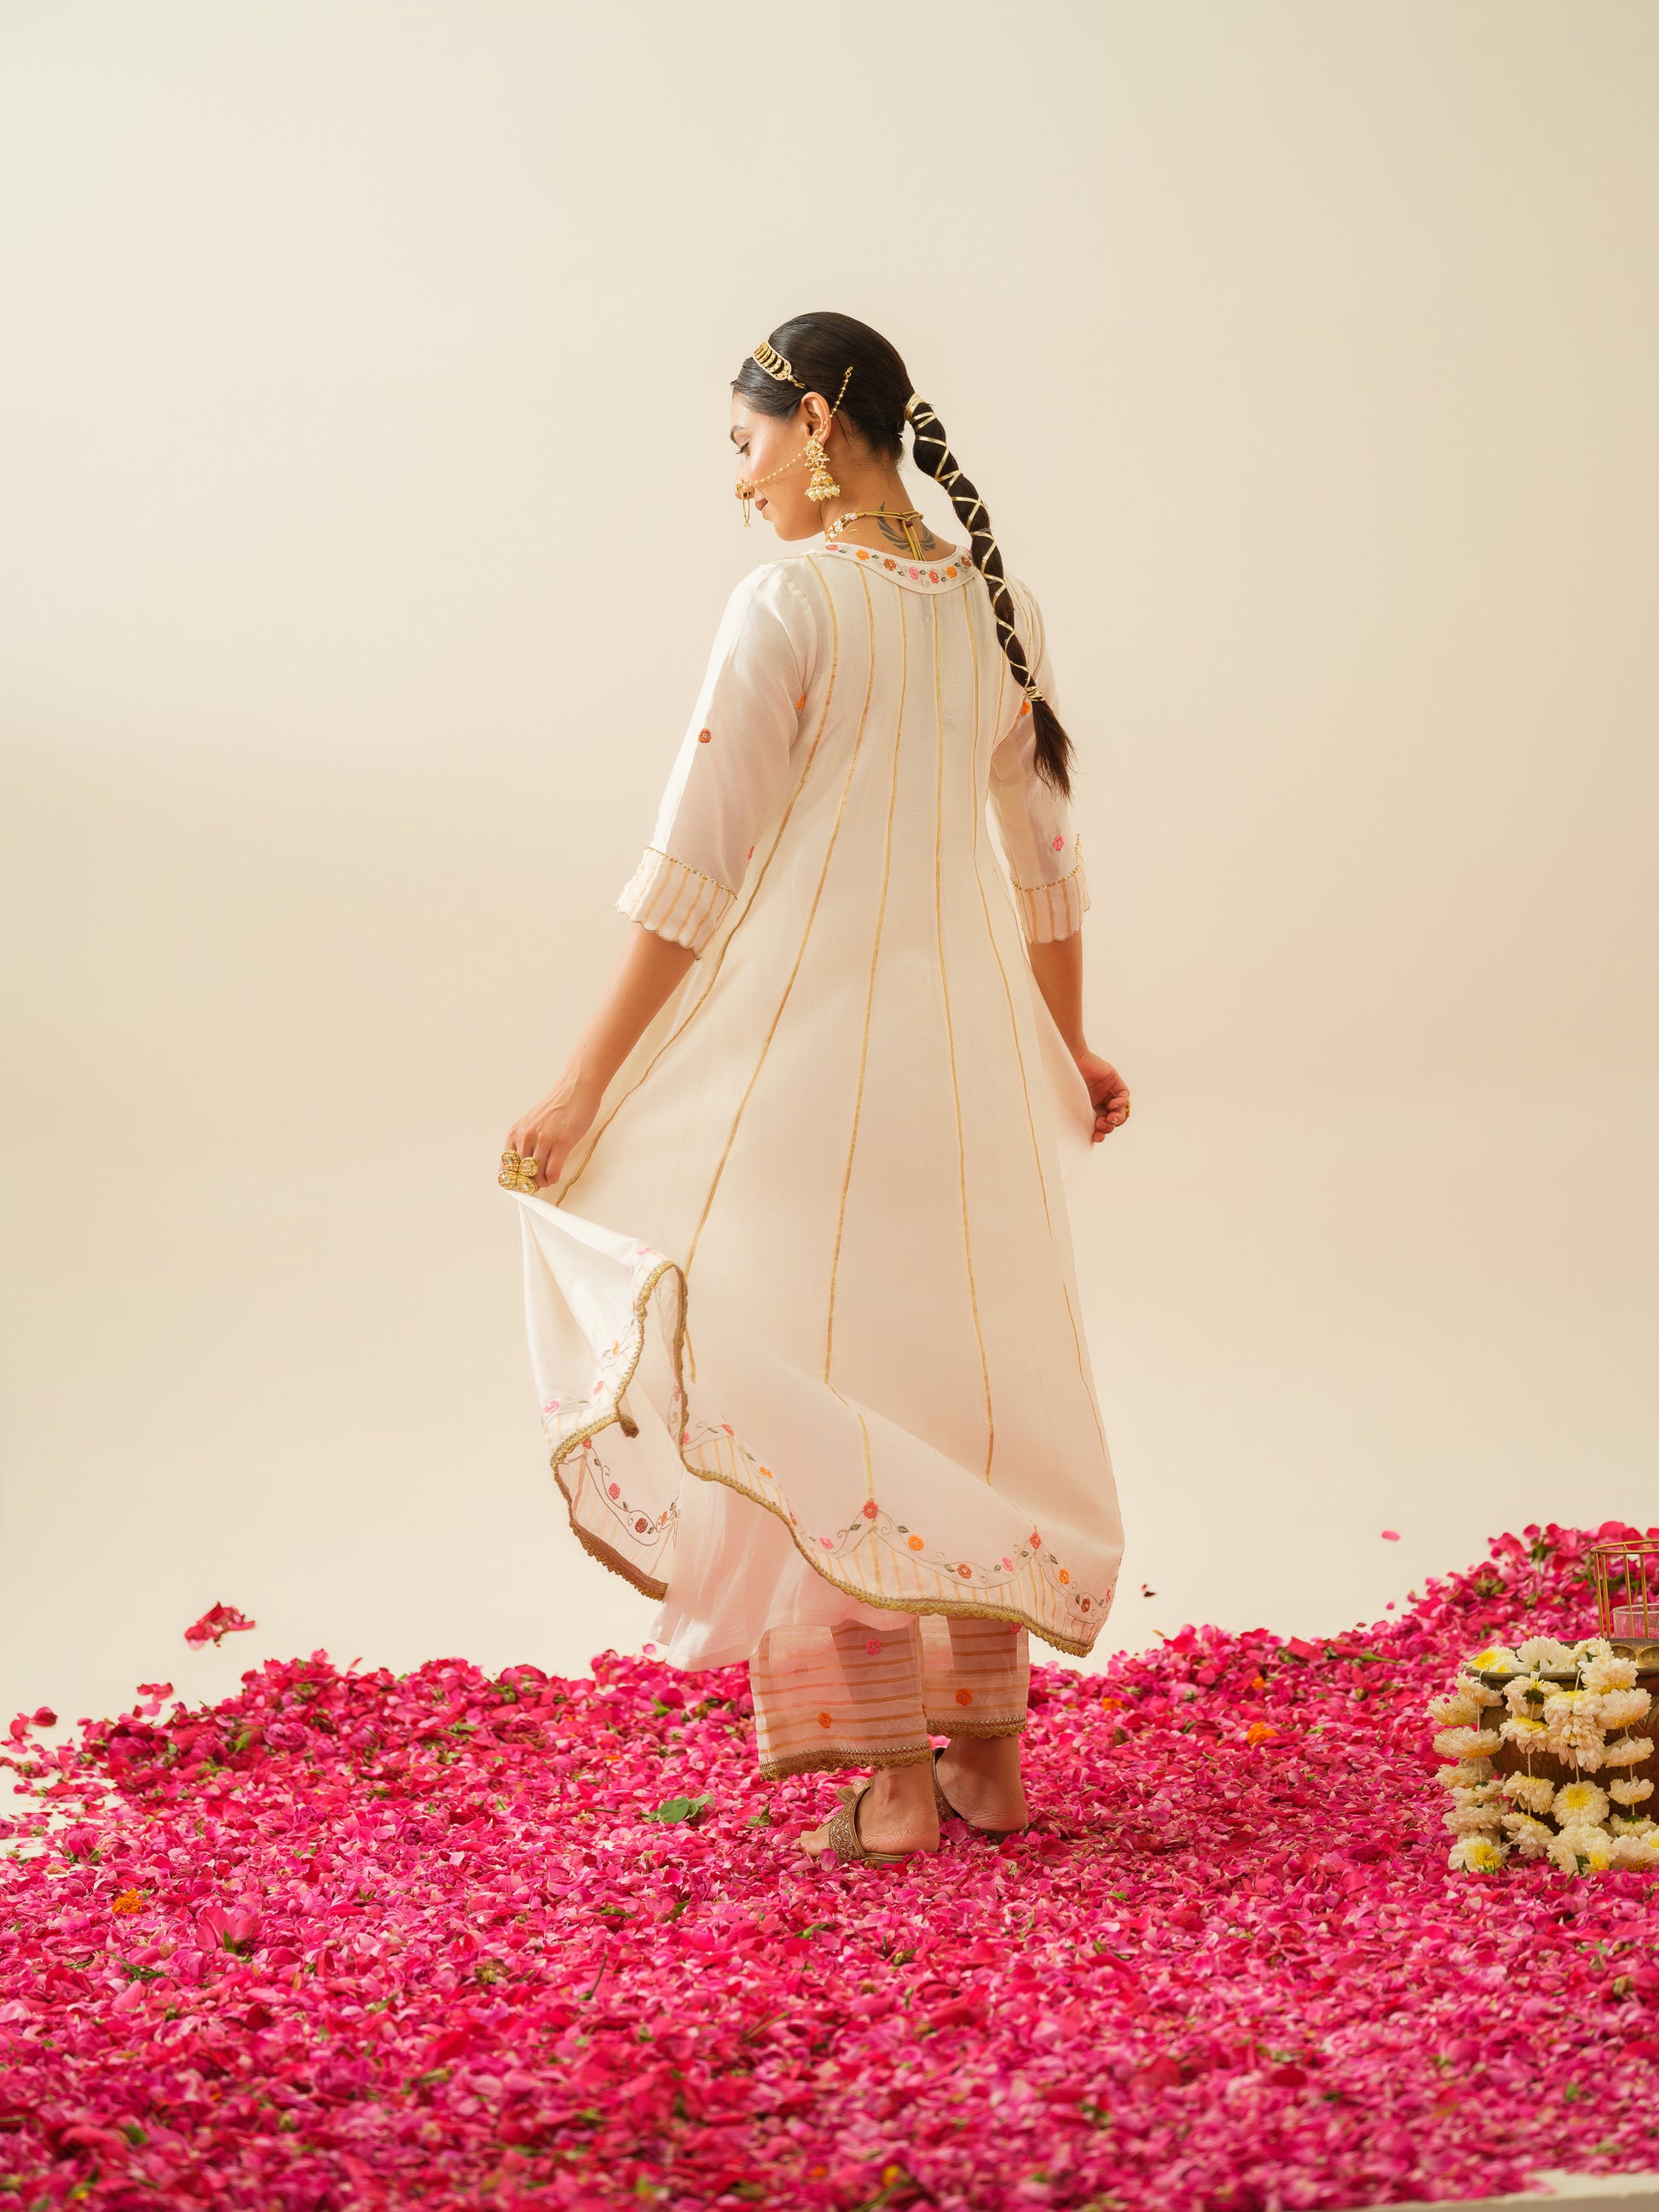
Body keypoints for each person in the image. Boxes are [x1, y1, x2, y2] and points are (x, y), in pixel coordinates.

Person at [503, 312, 1128, 1864]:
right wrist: (1065, 1045)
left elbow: (693, 868)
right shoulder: (997, 604)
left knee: (806, 1387)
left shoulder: (787, 601)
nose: (741, 481)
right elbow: (1047, 863)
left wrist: (582, 1086)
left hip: (810, 1061)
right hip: (970, 1073)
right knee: (953, 1395)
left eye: (747, 442)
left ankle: (892, 1786)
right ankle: (987, 1765)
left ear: (824, 421)